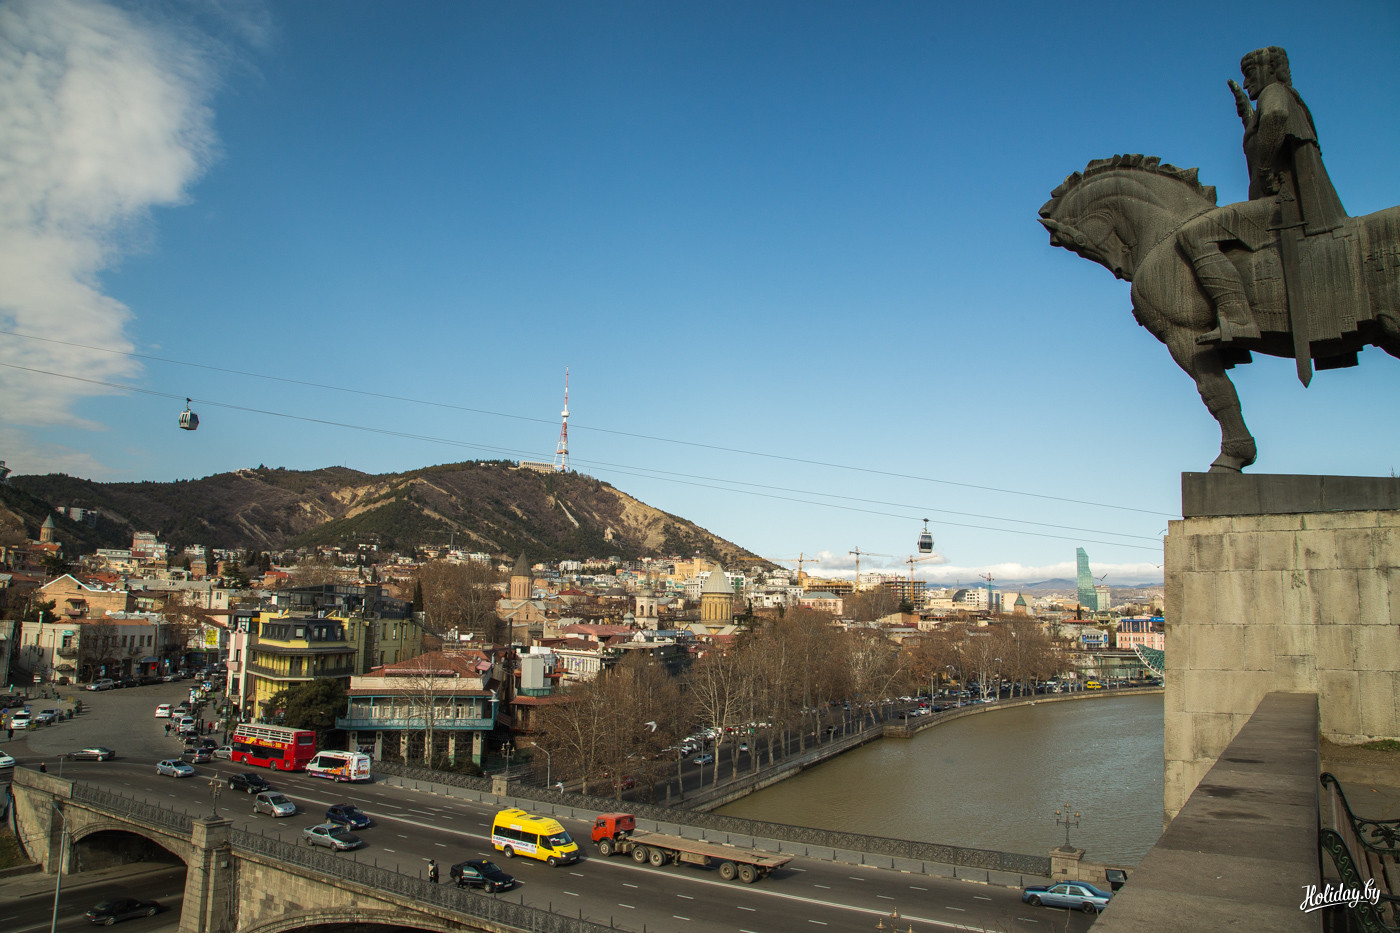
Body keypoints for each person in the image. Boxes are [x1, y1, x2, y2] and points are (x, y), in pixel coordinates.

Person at [1180, 46, 1346, 345]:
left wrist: (1265, 169)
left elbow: (1277, 117)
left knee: (1194, 235)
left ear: (1269, 69)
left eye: (1249, 74)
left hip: (1284, 205)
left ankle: (1238, 318)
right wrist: (1248, 116)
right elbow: (1266, 130)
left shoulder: (1275, 92)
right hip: (1283, 202)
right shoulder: (1276, 96)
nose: (1246, 83)